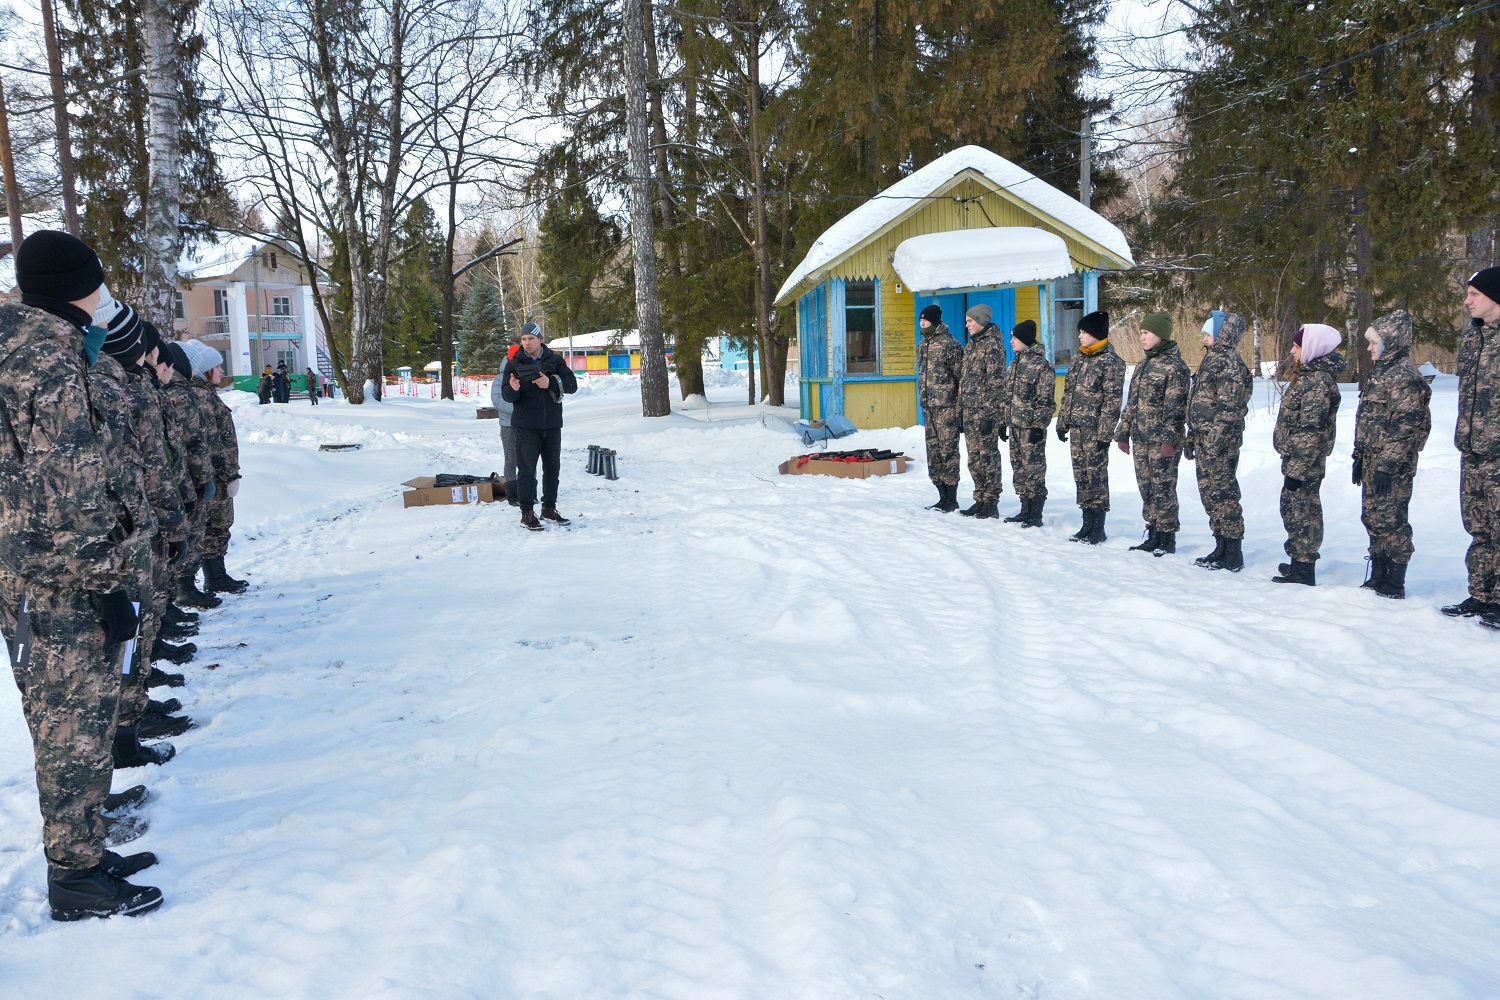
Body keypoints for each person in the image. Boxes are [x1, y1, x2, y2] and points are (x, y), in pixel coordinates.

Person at [0, 230, 163, 920]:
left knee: (78, 724)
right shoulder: (46, 360)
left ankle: (85, 850)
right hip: (61, 577)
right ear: (79, 286)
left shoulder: (28, 346)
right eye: (98, 282)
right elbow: (67, 486)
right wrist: (104, 586)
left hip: (34, 569)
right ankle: (74, 875)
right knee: (73, 727)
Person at [1352, 310, 1431, 600]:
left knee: (1392, 520)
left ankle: (1395, 580)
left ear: (1391, 342)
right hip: (1373, 459)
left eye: (1374, 342)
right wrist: (1359, 455)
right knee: (1372, 516)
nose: (1369, 347)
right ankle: (1379, 572)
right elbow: (1370, 419)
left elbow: (1405, 427)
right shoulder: (1380, 372)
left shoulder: (1404, 377)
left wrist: (1387, 464)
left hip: (1393, 465)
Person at [1443, 267, 1500, 627]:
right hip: (1473, 451)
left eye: (1474, 294)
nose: (1467, 301)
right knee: (1478, 525)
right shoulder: (1472, 341)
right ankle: (1481, 594)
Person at [1271, 323, 1345, 586]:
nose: (1292, 351)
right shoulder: (1307, 376)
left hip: (1305, 463)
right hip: (1296, 459)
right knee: (1292, 509)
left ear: (1313, 348)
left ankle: (1304, 568)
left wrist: (1297, 471)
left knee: (1304, 511)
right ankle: (1298, 562)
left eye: (1297, 346)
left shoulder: (1316, 383)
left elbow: (1311, 432)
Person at [1114, 311, 1190, 555]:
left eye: (1146, 333)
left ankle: (1167, 536)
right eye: (1141, 334)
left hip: (1161, 442)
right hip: (1141, 439)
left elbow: (1176, 409)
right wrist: (1123, 432)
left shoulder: (1175, 367)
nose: (1142, 338)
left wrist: (1170, 440)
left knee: (1163, 488)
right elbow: (1132, 404)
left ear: (1160, 335)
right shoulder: (1143, 364)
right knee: (1146, 487)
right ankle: (1154, 530)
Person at [1188, 311, 1254, 571]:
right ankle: (1220, 544)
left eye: (1207, 333)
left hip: (1220, 444)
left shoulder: (1228, 362)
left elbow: (1229, 409)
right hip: (1205, 439)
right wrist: (1193, 437)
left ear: (1221, 334)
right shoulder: (1211, 359)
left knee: (1224, 494)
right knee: (1210, 494)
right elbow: (1201, 403)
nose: (1203, 338)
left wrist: (1214, 443)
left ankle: (1233, 550)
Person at [182, 340, 248, 596]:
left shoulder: (207, 394)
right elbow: (213, 442)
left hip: (216, 474)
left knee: (216, 526)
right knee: (213, 526)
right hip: (214, 475)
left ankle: (216, 576)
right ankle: (212, 578)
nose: (222, 371)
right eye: (217, 366)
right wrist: (229, 473)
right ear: (205, 370)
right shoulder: (201, 398)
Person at [500, 322, 578, 530]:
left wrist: (550, 383)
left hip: (552, 425)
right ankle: (527, 513)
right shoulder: (514, 363)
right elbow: (506, 395)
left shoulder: (555, 360)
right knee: (527, 471)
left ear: (540, 340)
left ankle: (549, 509)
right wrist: (513, 389)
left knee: (552, 469)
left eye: (531, 339)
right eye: (523, 339)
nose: (526, 343)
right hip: (526, 427)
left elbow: (572, 385)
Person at [1058, 310, 1124, 544]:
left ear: (1096, 333)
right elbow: (1069, 393)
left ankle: (1098, 526)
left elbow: (1112, 401)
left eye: (1084, 332)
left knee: (1096, 477)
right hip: (1076, 428)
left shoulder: (1111, 362)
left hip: (1095, 431)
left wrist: (1105, 433)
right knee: (1081, 477)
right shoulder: (1078, 359)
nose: (1080, 337)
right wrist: (1062, 421)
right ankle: (1086, 523)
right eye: (1079, 332)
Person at [1001, 319, 1055, 527]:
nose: (1011, 341)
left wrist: (1038, 426)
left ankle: (1036, 513)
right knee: (1019, 469)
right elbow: (1008, 396)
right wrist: (1003, 422)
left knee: (1034, 470)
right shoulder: (1015, 363)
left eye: (1015, 337)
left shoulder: (1041, 366)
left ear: (1025, 339)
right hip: (1014, 426)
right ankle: (1025, 509)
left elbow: (1046, 401)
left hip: (1030, 428)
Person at [956, 304, 1008, 518]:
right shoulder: (971, 346)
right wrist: (960, 410)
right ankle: (980, 498)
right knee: (974, 458)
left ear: (981, 321)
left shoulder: (993, 346)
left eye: (970, 321)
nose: (966, 324)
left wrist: (990, 415)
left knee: (988, 457)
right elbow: (964, 381)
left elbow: (996, 384)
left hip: (985, 413)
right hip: (969, 412)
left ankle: (991, 502)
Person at [916, 304, 963, 512]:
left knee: (948, 450)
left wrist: (959, 407)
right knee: (933, 450)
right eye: (921, 320)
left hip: (947, 407)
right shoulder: (922, 345)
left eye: (926, 320)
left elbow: (960, 376)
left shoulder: (949, 344)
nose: (922, 323)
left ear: (935, 321)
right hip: (929, 407)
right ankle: (941, 495)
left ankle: (951, 498)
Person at [490, 343, 523, 506]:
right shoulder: (500, 379)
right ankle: (512, 492)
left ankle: (528, 491)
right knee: (511, 459)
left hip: (527, 425)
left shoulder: (526, 374)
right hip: (508, 425)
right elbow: (498, 402)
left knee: (527, 460)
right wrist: (520, 409)